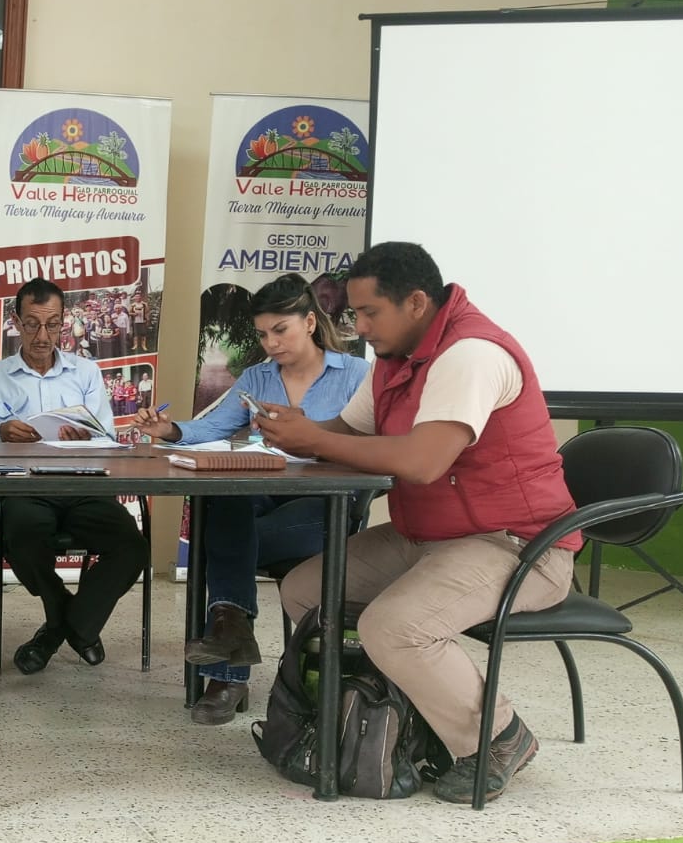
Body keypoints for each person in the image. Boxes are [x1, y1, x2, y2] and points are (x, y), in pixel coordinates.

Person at [257, 243, 579, 804]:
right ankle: (383, 717)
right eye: (354, 313)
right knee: (307, 592)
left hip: (518, 545)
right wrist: (298, 430)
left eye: (369, 313)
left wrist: (315, 440)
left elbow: (424, 462)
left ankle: (498, 737)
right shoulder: (396, 356)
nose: (359, 327)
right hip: (428, 536)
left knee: (394, 627)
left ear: (416, 302)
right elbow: (349, 434)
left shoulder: (471, 354)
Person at [135, 273, 369, 724]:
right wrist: (170, 430)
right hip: (266, 488)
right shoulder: (258, 377)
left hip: (326, 502)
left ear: (309, 322)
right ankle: (231, 639)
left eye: (280, 330)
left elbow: (374, 441)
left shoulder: (356, 375)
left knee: (224, 542)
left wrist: (315, 438)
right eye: (262, 334)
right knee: (226, 500)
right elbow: (212, 428)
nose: (270, 344)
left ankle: (227, 675)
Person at [0, 278, 147, 674]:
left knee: (132, 547)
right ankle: (73, 621)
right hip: (23, 488)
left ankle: (58, 629)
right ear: (16, 322)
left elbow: (108, 437)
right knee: (22, 537)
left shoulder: (85, 372)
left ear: (64, 322)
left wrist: (89, 437)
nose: (42, 336)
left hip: (83, 485)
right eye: (32, 324)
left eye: (52, 324)